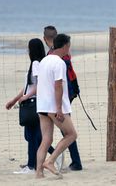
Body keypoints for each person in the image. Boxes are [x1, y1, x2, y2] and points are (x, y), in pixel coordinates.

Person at [36, 34, 77, 178]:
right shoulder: (59, 62)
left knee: (46, 140)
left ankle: (39, 173)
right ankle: (50, 161)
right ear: (65, 46)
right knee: (71, 134)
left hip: (42, 105)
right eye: (69, 46)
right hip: (54, 107)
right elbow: (58, 86)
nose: (69, 49)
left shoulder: (44, 61)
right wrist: (59, 108)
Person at [43, 26, 82, 171]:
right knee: (65, 129)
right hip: (68, 93)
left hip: (61, 96)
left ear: (44, 39)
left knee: (66, 130)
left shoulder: (54, 56)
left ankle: (67, 160)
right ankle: (69, 160)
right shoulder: (64, 54)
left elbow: (57, 83)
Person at [5, 38, 45, 174]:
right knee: (32, 135)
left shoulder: (35, 63)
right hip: (32, 102)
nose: (27, 50)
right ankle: (38, 160)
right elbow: (28, 86)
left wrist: (26, 97)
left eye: (29, 48)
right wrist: (15, 99)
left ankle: (31, 165)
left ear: (32, 50)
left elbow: (40, 85)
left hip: (33, 104)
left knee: (32, 135)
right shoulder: (37, 63)